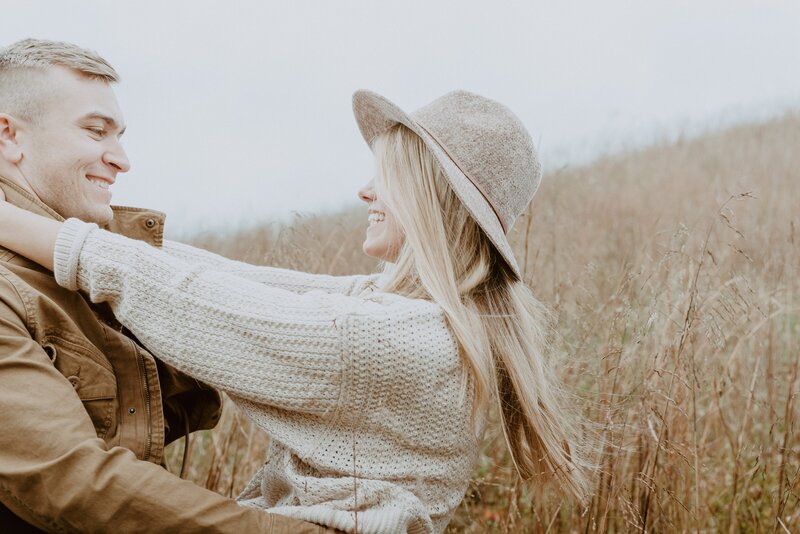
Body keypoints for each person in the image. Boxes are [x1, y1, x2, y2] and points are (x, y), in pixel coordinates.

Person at [0, 88, 592, 533]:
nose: (364, 192)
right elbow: (241, 281)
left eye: (383, 177)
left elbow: (194, 301)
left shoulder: (397, 340)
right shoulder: (407, 313)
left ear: (426, 199)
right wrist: (85, 228)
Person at [0, 38, 338, 533]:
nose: (120, 159)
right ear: (9, 136)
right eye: (96, 131)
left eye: (119, 135)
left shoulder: (91, 266)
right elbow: (75, 482)